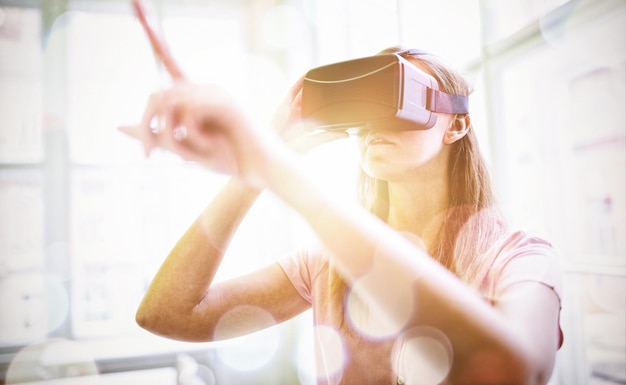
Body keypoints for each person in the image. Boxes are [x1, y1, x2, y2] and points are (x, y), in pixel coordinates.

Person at [121, 46, 563, 385]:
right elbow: (166, 313)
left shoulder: (518, 259)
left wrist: (274, 164)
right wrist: (251, 170)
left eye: (394, 97)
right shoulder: (327, 263)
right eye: (364, 105)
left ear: (458, 124)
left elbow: (511, 370)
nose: (375, 122)